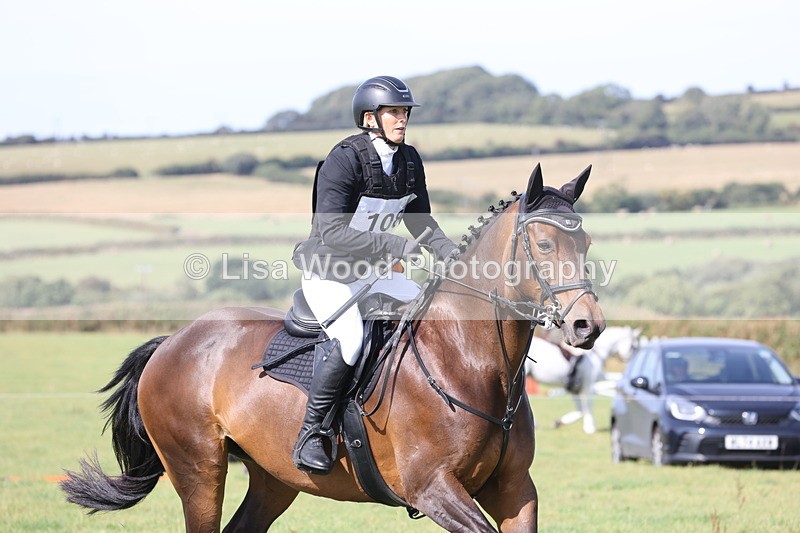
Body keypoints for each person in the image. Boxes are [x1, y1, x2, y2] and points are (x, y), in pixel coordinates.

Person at [290, 75, 459, 474]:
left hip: (374, 274)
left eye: (405, 113)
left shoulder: (409, 160)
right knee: (350, 340)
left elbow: (421, 221)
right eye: (394, 112)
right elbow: (330, 230)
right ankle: (312, 432)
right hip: (329, 274)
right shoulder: (343, 159)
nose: (402, 120)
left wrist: (455, 256)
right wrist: (396, 247)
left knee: (429, 316)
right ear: (370, 118)